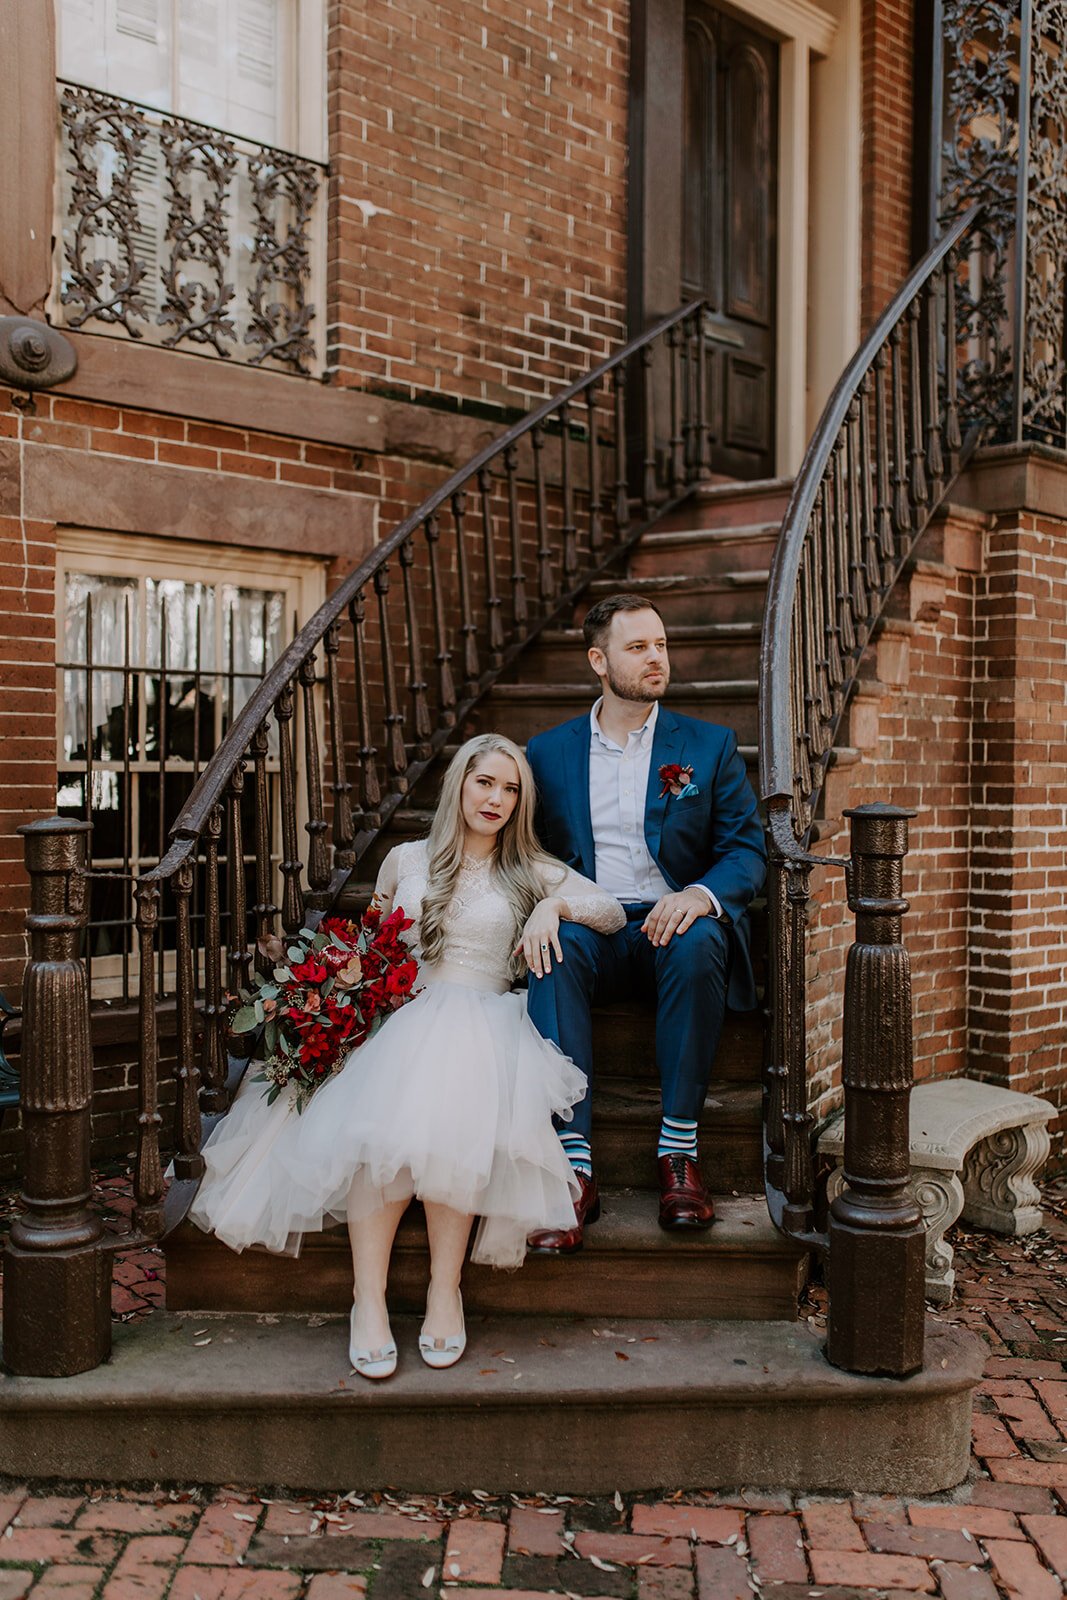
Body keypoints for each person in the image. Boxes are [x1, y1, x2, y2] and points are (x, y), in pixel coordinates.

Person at [187, 733, 625, 1379]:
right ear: (459, 784)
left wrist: (553, 908)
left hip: (485, 1020)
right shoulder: (405, 859)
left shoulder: (531, 868)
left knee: (456, 1129)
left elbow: (613, 911)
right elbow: (375, 942)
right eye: (485, 783)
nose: (496, 799)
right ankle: (368, 1299)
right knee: (379, 1129)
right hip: (402, 1016)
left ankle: (443, 1292)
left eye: (510, 789)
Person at [524, 592, 767, 1251]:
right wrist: (549, 903)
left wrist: (700, 894)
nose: (656, 657)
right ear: (598, 660)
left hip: (671, 926)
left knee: (699, 938)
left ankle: (678, 1154)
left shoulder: (707, 746)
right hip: (592, 925)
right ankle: (572, 1166)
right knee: (554, 947)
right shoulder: (546, 753)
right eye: (638, 647)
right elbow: (528, 851)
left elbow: (746, 849)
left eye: (660, 644)